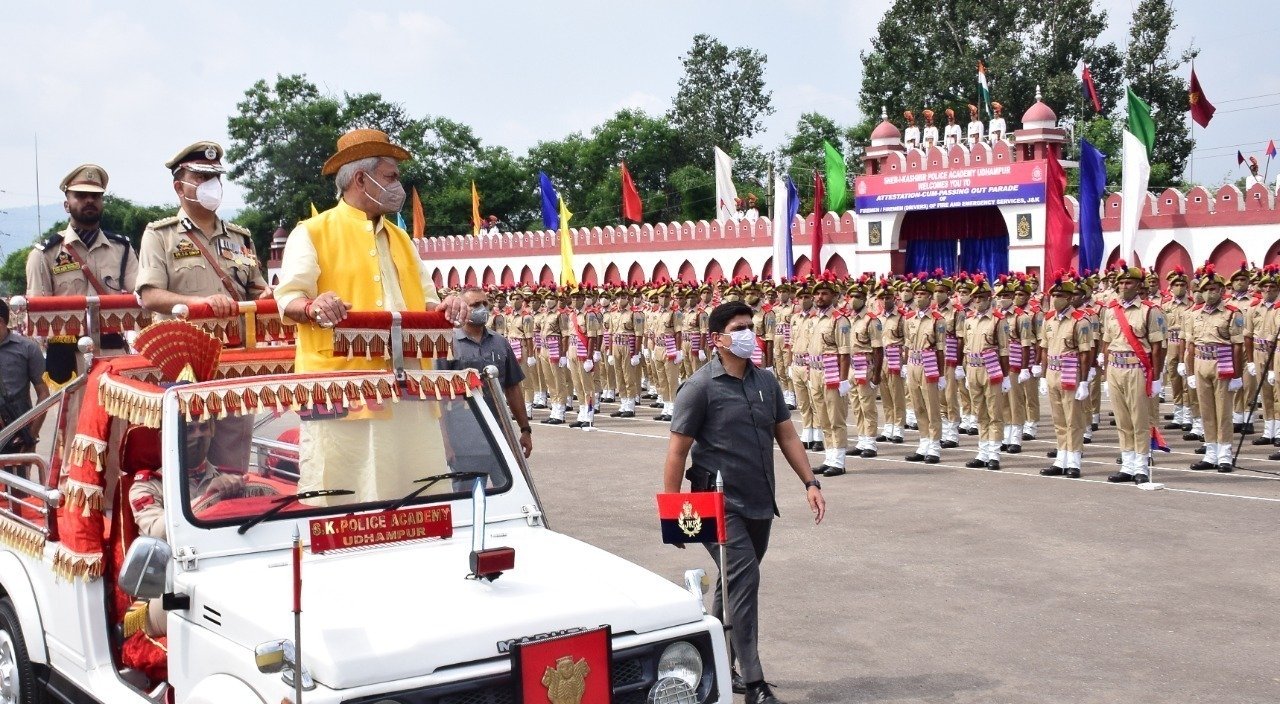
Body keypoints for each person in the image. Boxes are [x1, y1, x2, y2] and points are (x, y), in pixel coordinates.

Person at [273, 128, 466, 503]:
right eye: (391, 176)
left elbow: (428, 304)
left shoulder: (401, 238)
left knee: (417, 495)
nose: (399, 186)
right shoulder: (311, 232)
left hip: (408, 389)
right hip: (341, 391)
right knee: (343, 499)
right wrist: (314, 307)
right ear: (362, 179)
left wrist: (449, 305)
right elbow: (288, 299)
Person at [662, 301, 826, 704]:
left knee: (733, 582)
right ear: (717, 338)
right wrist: (673, 512)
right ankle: (754, 683)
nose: (749, 333)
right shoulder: (699, 387)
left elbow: (786, 435)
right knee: (745, 578)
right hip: (713, 502)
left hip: (758, 501)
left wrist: (810, 481)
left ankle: (715, 664)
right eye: (739, 327)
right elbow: (676, 451)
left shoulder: (765, 382)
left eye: (750, 326)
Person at [136, 141, 270, 470]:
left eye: (215, 177)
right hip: (182, 362)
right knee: (185, 455)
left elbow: (257, 289)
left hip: (234, 359)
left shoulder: (240, 238)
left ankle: (230, 514)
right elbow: (150, 295)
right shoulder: (160, 235)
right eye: (201, 177)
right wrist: (200, 303)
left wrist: (269, 297)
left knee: (232, 459)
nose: (212, 185)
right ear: (179, 186)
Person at [129, 419, 243, 636]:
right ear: (168, 436)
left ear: (212, 430)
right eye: (189, 429)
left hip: (220, 575)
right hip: (166, 587)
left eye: (203, 428)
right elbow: (157, 531)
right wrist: (207, 498)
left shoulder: (227, 478)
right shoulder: (147, 484)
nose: (198, 435)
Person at [27, 164, 139, 382]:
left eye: (95, 196)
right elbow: (37, 315)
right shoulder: (44, 254)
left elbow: (141, 296)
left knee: (116, 416)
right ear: (66, 204)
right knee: (74, 416)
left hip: (113, 353)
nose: (89, 200)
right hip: (68, 359)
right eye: (81, 195)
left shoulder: (122, 248)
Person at [441, 287, 533, 459]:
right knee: (469, 486)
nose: (482, 308)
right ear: (462, 309)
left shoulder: (500, 343)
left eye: (485, 304)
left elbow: (512, 388)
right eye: (475, 305)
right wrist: (445, 442)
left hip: (499, 431)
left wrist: (525, 429)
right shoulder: (449, 343)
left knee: (510, 485)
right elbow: (439, 397)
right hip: (463, 436)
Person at [1101, 263, 1166, 483]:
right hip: (1115, 368)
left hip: (1137, 369)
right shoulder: (1111, 311)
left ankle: (1141, 466)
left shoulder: (1150, 310)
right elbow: (1106, 341)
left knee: (1140, 419)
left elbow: (1158, 346)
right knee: (1122, 418)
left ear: (1139, 285)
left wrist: (1156, 377)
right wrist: (1104, 371)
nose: (1123, 286)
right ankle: (1127, 465)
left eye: (1128, 282)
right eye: (1120, 282)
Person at [1183, 266, 1245, 472]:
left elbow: (1237, 345)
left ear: (1221, 291)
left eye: (1214, 289)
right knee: (1206, 410)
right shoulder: (1194, 315)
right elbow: (1191, 345)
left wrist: (1237, 375)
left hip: (1222, 363)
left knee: (1223, 411)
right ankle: (1211, 453)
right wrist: (1190, 372)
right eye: (1206, 289)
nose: (1210, 292)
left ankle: (1225, 454)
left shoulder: (1232, 314)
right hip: (1201, 362)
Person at [1039, 272, 1094, 478]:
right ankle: (1061, 458)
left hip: (1071, 371)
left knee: (1074, 419)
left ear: (1070, 298)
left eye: (1060, 296)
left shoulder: (1081, 321)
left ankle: (1074, 460)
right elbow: (1044, 347)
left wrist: (1084, 381)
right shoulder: (1048, 319)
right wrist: (1043, 375)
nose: (1056, 299)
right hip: (1053, 371)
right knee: (1059, 419)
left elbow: (1085, 352)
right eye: (1054, 295)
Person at [0, 299, 48, 453]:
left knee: (17, 476)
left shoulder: (28, 348)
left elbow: (44, 394)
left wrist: (31, 436)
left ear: (1, 321)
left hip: (18, 431)